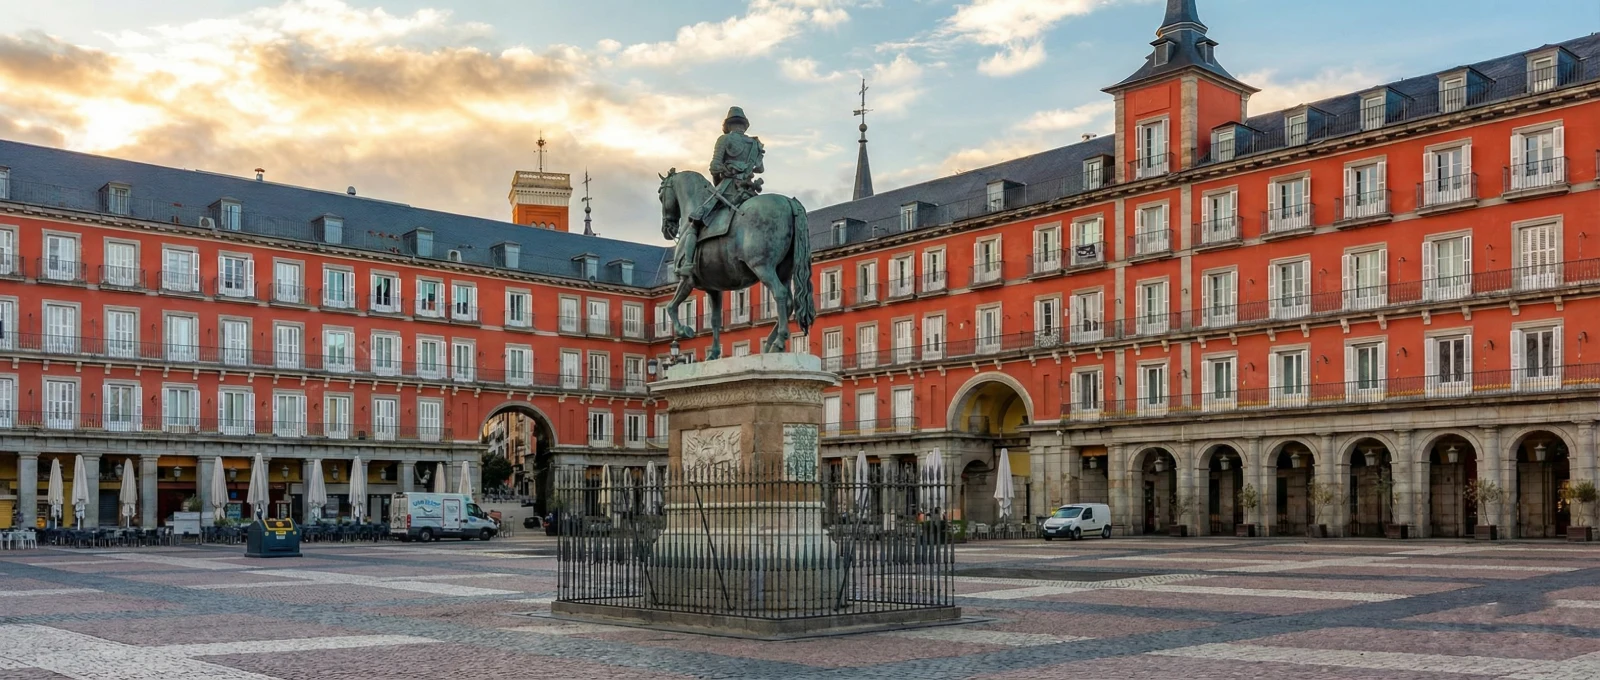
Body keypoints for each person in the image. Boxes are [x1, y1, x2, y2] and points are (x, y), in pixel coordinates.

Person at [677, 106, 765, 276]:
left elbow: (714, 166)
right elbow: (760, 168)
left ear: (728, 125)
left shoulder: (724, 140)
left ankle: (688, 264)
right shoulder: (755, 144)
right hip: (748, 191)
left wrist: (721, 179)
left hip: (727, 189)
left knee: (695, 221)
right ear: (744, 125)